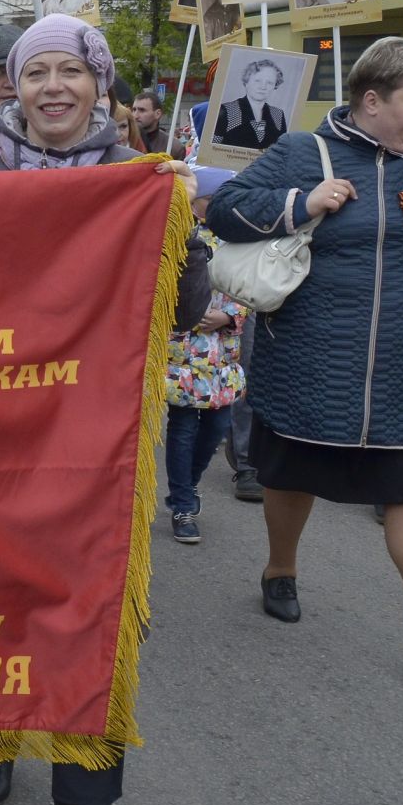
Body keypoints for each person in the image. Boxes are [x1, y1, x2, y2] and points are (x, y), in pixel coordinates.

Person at [0, 13, 213, 805]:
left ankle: (88, 797)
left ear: (99, 84)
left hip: (93, 428)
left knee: (97, 599)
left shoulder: (138, 175)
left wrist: (181, 228)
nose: (50, 87)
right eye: (32, 71)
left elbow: (184, 314)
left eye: (67, 71)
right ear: (10, 83)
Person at [204, 35, 403, 677]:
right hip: (312, 359)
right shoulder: (302, 151)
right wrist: (303, 204)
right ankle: (281, 569)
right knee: (289, 476)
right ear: (372, 101)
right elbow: (227, 210)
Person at [164, 190, 246, 544]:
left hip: (224, 353)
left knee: (217, 426)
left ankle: (188, 486)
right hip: (183, 350)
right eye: (209, 195)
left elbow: (253, 287)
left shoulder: (241, 237)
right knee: (183, 428)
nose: (215, 202)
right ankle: (182, 504)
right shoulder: (177, 232)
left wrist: (230, 316)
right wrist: (194, 316)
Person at [213, 59, 290, 152]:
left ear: (275, 86)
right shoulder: (227, 111)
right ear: (246, 82)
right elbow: (212, 147)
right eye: (257, 80)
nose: (263, 86)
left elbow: (282, 149)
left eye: (269, 82)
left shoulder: (277, 114)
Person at [131, 89, 182, 159]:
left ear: (157, 114)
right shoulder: (123, 140)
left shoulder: (173, 146)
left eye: (142, 110)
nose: (135, 116)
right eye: (134, 110)